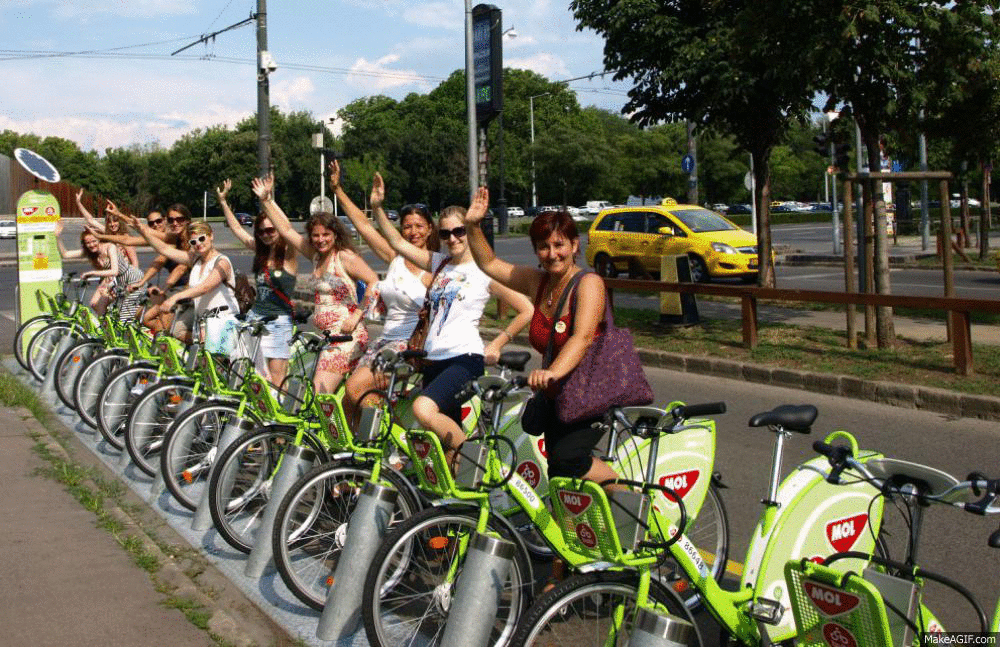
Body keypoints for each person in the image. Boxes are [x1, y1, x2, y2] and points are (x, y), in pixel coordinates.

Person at [373, 177, 534, 465]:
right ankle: (455, 503)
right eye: (446, 234)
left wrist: (497, 343)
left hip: (464, 358)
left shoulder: (485, 270)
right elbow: (396, 241)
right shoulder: (440, 264)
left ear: (471, 230)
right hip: (433, 359)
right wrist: (377, 207)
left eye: (459, 231)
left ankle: (480, 461)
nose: (453, 239)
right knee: (443, 440)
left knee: (424, 410)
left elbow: (527, 309)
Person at [463, 190, 619, 486]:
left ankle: (635, 503)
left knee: (568, 459)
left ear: (574, 245)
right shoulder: (538, 282)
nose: (552, 253)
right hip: (557, 394)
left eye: (559, 245)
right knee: (559, 473)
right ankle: (576, 530)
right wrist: (472, 226)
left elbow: (582, 338)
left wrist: (551, 372)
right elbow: (491, 265)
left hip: (594, 392)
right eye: (543, 247)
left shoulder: (589, 284)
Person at [329, 160, 439, 423]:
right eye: (407, 226)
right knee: (353, 398)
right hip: (384, 342)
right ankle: (367, 453)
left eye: (419, 226)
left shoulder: (437, 267)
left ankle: (383, 452)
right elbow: (365, 227)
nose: (413, 232)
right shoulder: (396, 257)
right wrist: (338, 190)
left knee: (358, 390)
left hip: (410, 348)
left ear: (430, 229)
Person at [252, 173, 378, 394]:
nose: (320, 240)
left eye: (326, 234)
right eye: (316, 235)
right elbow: (287, 230)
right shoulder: (317, 256)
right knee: (307, 390)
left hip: (347, 338)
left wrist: (357, 315)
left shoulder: (344, 257)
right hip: (326, 338)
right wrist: (267, 200)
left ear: (335, 235)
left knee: (319, 394)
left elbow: (374, 282)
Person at [217, 178, 298, 387]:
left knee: (277, 376)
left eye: (271, 230)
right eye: (261, 231)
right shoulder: (260, 252)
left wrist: (268, 200)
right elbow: (237, 229)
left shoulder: (288, 254)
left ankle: (283, 415)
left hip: (278, 321)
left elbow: (287, 227)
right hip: (256, 317)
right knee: (247, 369)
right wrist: (224, 202)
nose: (266, 235)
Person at [124, 215, 239, 355]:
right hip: (204, 320)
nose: (198, 243)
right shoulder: (195, 260)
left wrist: (175, 297)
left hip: (222, 319)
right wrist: (142, 229)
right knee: (179, 333)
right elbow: (164, 249)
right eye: (193, 241)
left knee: (218, 368)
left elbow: (204, 287)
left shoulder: (222, 262)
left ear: (211, 236)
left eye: (202, 238)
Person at [54, 220, 144, 320]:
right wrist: (57, 237)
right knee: (93, 303)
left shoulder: (110, 247)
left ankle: (107, 332)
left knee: (106, 309)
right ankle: (108, 326)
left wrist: (93, 273)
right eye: (88, 243)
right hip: (111, 280)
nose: (91, 245)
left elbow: (115, 271)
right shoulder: (91, 252)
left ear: (99, 240)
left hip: (127, 279)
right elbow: (66, 254)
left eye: (93, 241)